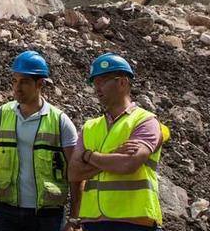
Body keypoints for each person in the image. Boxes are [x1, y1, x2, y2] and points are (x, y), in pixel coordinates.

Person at [68, 53, 170, 231]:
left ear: (122, 83)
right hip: (94, 222)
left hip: (134, 222)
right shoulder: (90, 127)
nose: (96, 88)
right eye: (94, 83)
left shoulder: (145, 121)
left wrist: (88, 156)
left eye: (102, 81)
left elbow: (128, 164)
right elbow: (74, 173)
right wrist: (108, 157)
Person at [0, 51, 82, 231]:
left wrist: (74, 217)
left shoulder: (60, 121)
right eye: (15, 81)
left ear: (40, 84)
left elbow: (75, 171)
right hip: (7, 211)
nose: (17, 87)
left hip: (48, 215)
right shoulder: (2, 114)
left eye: (24, 82)